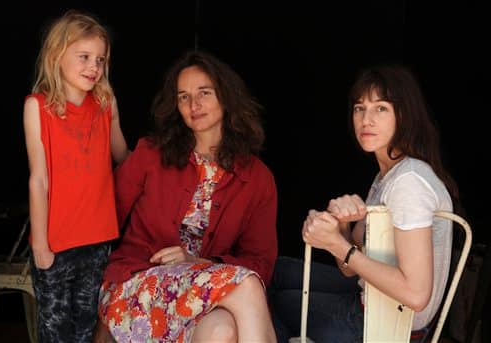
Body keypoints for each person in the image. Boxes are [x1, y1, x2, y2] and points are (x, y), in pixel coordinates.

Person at [94, 50, 278, 343]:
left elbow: (261, 263)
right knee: (248, 287)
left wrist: (198, 261)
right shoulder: (151, 153)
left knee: (222, 330)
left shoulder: (257, 178)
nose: (194, 104)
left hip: (205, 292)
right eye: (183, 97)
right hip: (139, 287)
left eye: (204, 92)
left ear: (226, 96)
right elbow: (102, 216)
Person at [268, 64, 459, 343]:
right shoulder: (387, 175)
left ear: (404, 115)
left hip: (388, 326)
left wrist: (337, 244)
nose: (366, 119)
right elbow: (348, 268)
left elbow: (416, 295)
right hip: (372, 297)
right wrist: (343, 226)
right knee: (275, 270)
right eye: (360, 108)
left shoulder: (409, 183)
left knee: (274, 302)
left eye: (380, 108)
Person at [23, 10, 129, 342]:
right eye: (84, 57)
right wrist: (40, 242)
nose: (93, 67)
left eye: (100, 59)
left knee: (86, 326)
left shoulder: (105, 103)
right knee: (55, 330)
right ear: (57, 55)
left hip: (97, 241)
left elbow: (122, 158)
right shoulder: (37, 107)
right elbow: (38, 179)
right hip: (55, 241)